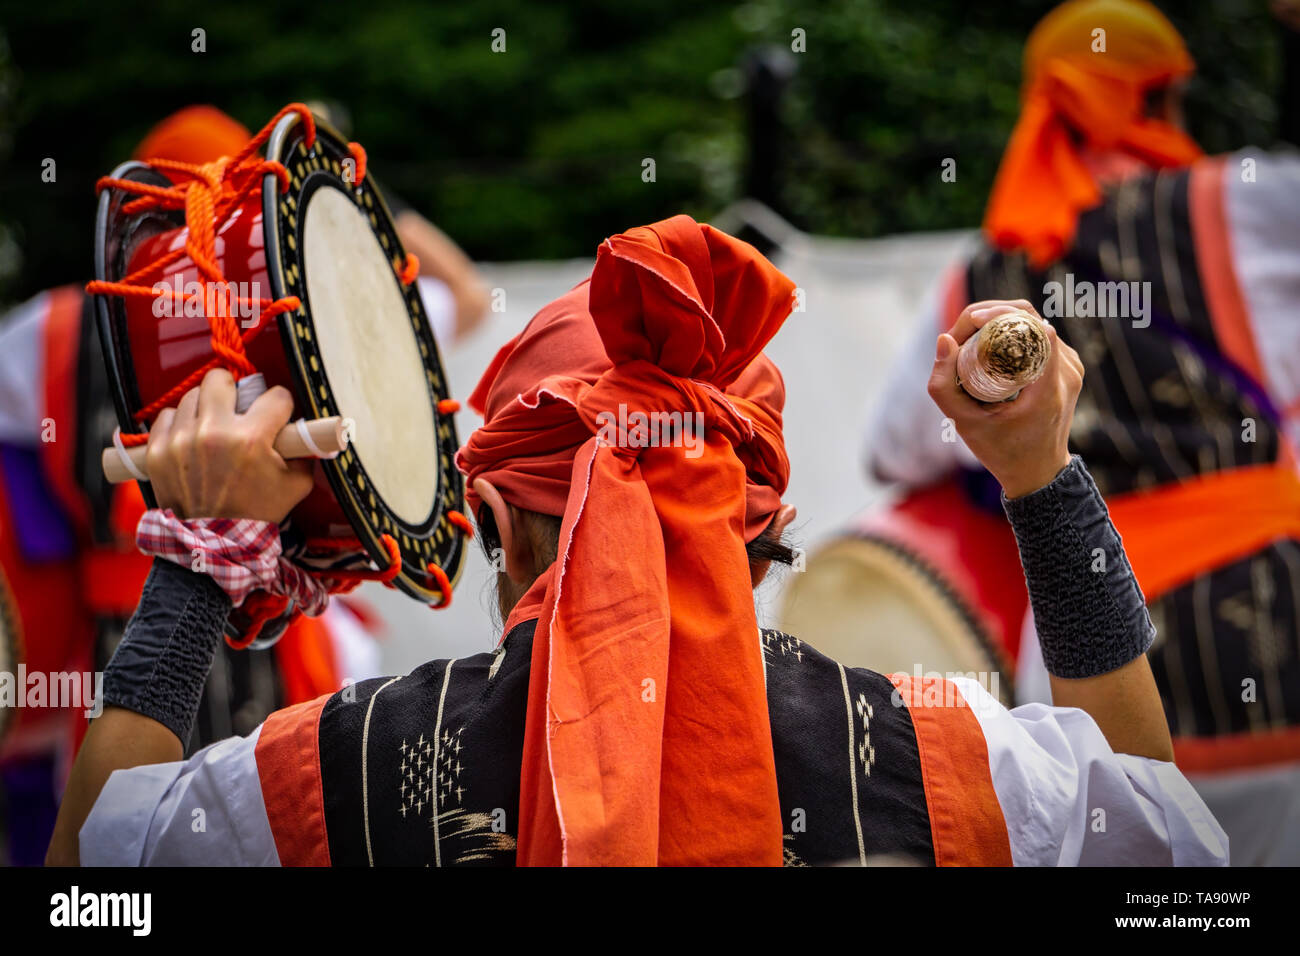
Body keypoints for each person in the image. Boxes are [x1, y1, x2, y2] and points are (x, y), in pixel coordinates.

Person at [47, 215, 1225, 866]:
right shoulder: (949, 758)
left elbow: (85, 891)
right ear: (765, 531)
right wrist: (1041, 475)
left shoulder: (313, 775)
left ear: (496, 524)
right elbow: (1163, 831)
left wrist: (201, 561)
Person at [866, 1, 1300, 862]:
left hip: (1077, 673)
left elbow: (890, 450)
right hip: (1274, 633)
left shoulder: (981, 269)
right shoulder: (1246, 205)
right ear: (1161, 103)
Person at [0, 105, 377, 865]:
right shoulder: (298, 315)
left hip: (132, 626)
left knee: (112, 854)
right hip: (206, 618)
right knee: (250, 822)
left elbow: (20, 494)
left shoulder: (42, 328)